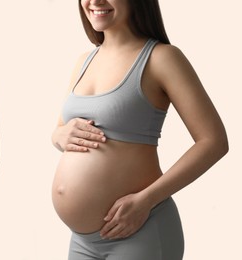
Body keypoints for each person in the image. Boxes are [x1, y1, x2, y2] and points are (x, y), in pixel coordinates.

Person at [51, 0, 228, 259]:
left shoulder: (162, 58)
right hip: (82, 242)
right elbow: (59, 130)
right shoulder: (84, 61)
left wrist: (146, 200)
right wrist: (58, 135)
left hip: (139, 232)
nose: (95, 1)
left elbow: (213, 141)